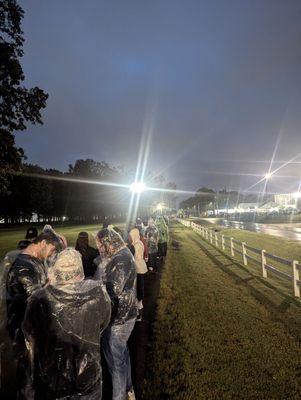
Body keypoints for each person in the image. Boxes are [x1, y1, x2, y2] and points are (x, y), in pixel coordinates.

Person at [22, 248, 111, 400]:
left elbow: (30, 334)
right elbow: (103, 323)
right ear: (79, 269)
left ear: (56, 271)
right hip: (87, 372)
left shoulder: (40, 298)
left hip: (53, 377)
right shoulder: (98, 293)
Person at [6, 228, 62, 398]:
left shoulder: (34, 260)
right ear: (43, 243)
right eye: (52, 249)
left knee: (37, 372)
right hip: (25, 332)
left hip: (34, 329)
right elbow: (35, 301)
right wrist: (51, 284)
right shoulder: (23, 267)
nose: (51, 254)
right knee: (28, 375)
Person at [95, 228, 137, 400]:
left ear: (108, 242)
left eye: (100, 244)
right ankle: (128, 389)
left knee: (116, 362)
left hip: (119, 319)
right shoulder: (121, 255)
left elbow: (113, 292)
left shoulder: (120, 260)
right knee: (122, 355)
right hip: (124, 315)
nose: (99, 248)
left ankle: (119, 396)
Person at [129, 228, 147, 321]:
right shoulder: (139, 242)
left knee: (139, 289)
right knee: (139, 288)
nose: (130, 237)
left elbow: (134, 256)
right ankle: (138, 313)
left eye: (131, 235)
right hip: (140, 267)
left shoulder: (137, 245)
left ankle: (139, 315)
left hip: (138, 268)